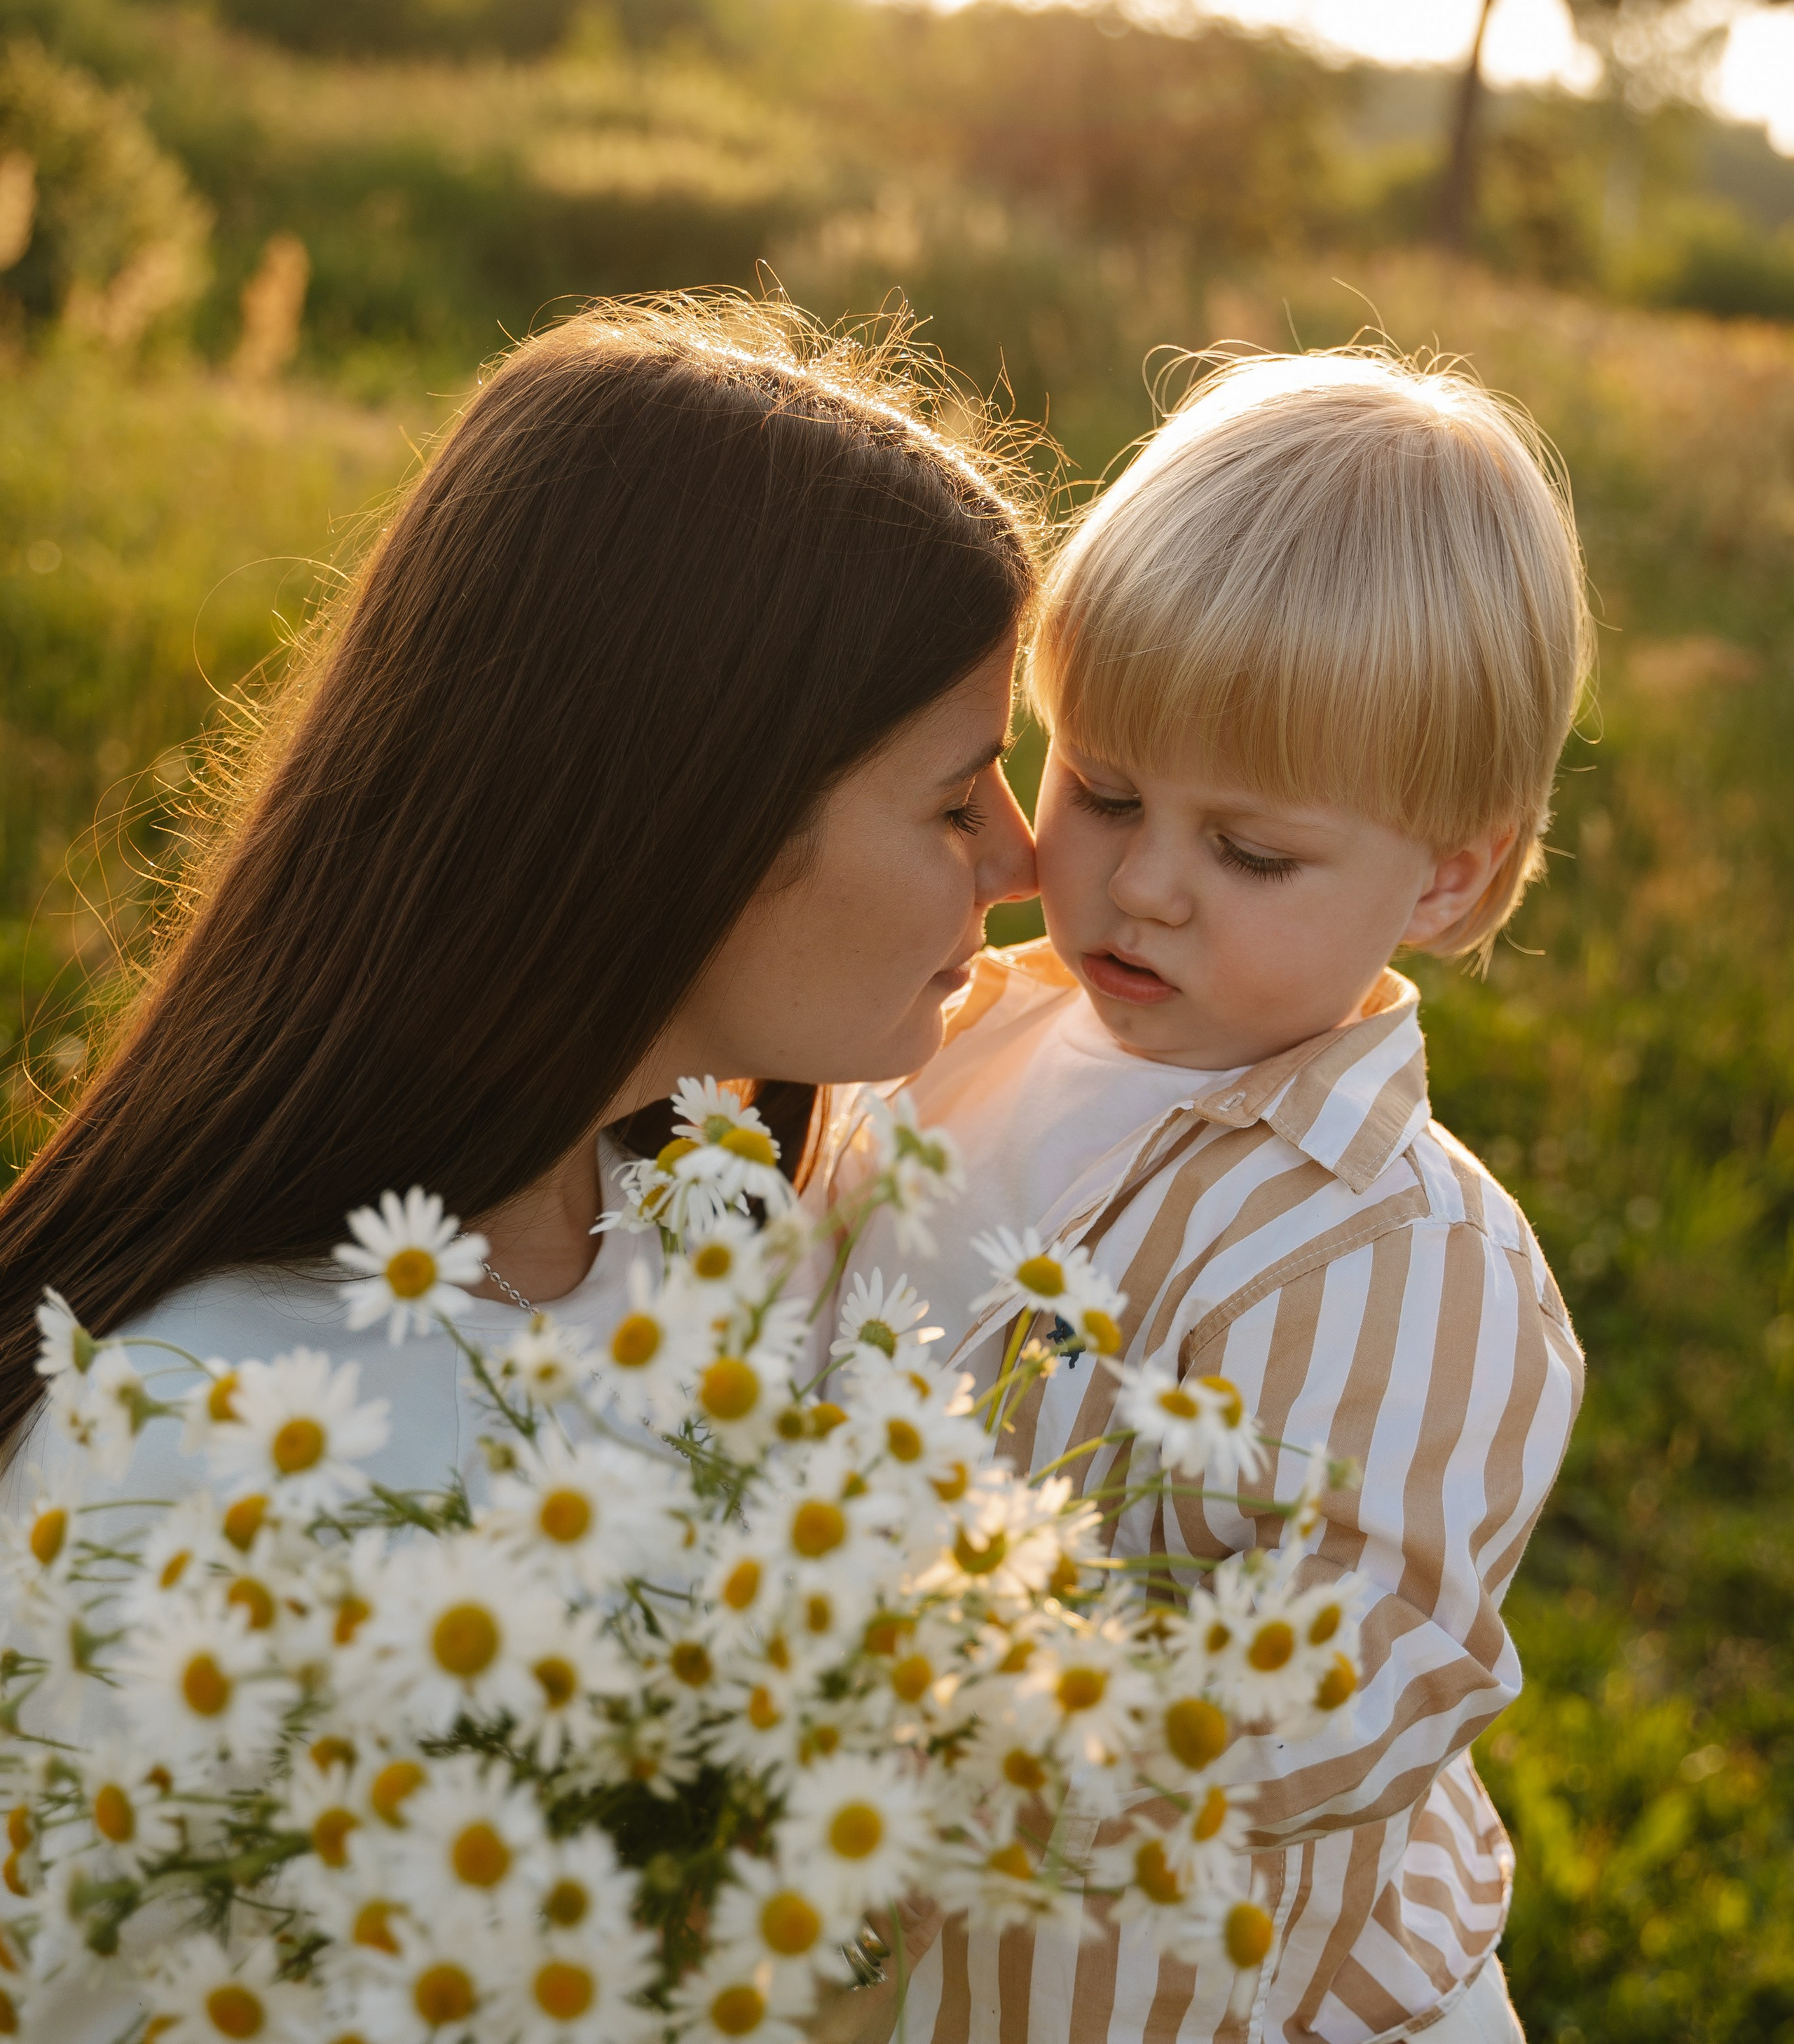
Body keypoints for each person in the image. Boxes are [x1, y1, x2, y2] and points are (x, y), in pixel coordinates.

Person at [827, 349, 1591, 2044]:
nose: (1143, 884)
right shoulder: (956, 1036)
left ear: (1448, 872)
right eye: (1102, 789)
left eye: (1249, 852)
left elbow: (1359, 1678)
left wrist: (965, 1703)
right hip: (901, 1955)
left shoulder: (1401, 1256)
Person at [0, 294, 1039, 1520]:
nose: (1026, 861)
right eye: (959, 801)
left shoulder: (724, 1226)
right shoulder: (201, 1432)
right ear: (697, 818)